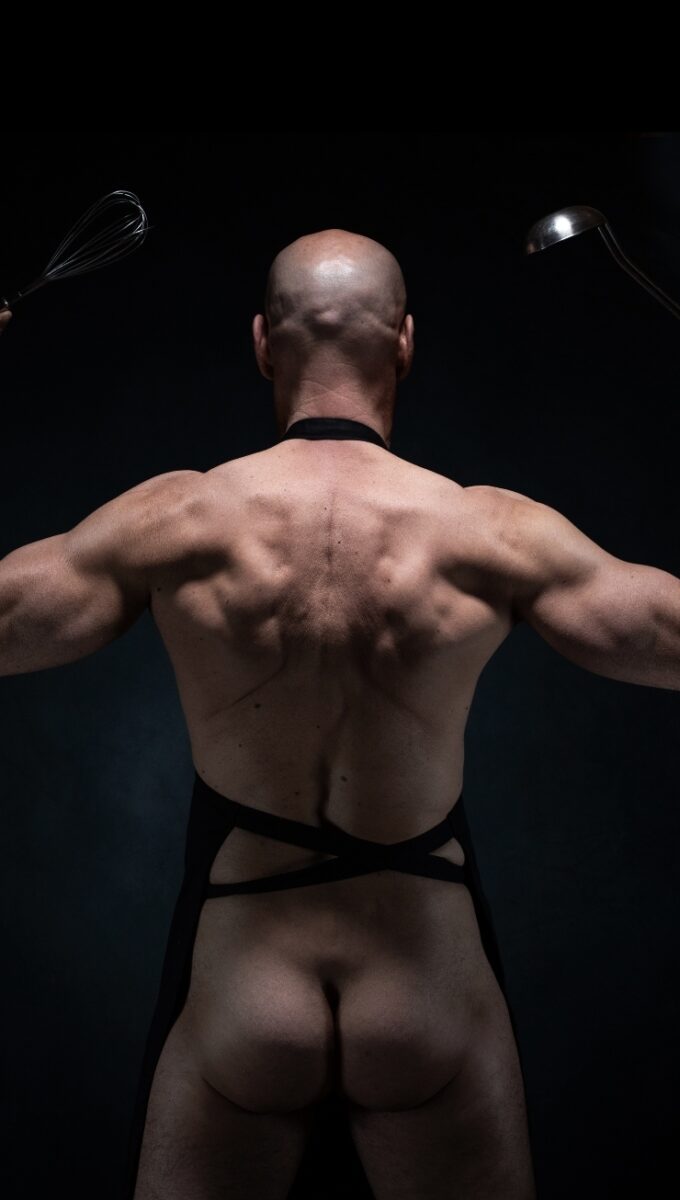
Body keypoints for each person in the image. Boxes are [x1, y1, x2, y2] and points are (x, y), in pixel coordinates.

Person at [1, 230, 679, 1200]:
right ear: (404, 342)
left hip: (245, 990)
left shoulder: (178, 518)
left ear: (261, 343)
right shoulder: (490, 530)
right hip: (424, 985)